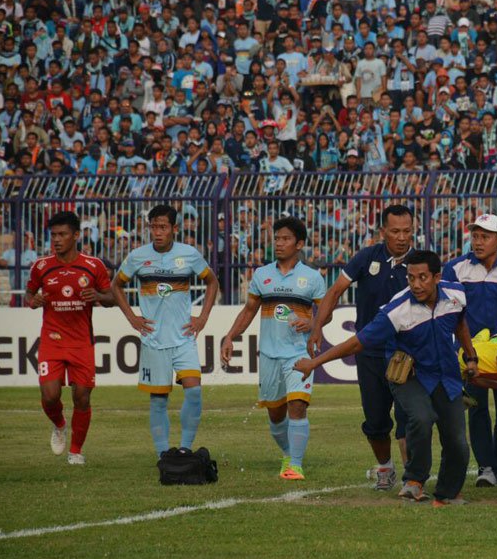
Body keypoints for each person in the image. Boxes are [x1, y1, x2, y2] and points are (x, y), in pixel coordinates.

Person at [295, 250, 478, 506]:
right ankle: (414, 481)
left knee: (458, 441)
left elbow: (460, 323)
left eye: (422, 277)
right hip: (408, 376)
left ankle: (447, 494)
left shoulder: (457, 294)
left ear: (437, 277)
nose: (415, 284)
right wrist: (315, 362)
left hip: (446, 377)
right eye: (411, 278)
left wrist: (471, 356)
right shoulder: (397, 310)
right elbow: (356, 343)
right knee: (422, 417)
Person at [309, 204, 415, 491]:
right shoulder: (366, 258)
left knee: (409, 418)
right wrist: (318, 326)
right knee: (376, 420)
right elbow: (335, 291)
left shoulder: (421, 263)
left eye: (407, 231)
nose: (402, 237)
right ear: (383, 232)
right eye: (395, 231)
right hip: (369, 353)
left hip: (408, 354)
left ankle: (412, 478)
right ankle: (385, 468)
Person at [221, 217, 326, 480]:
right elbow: (249, 310)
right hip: (268, 354)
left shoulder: (312, 277)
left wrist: (312, 321)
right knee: (276, 415)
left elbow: (326, 314)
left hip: (298, 354)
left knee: (298, 406)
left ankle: (296, 466)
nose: (279, 243)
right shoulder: (262, 274)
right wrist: (230, 336)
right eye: (277, 238)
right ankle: (289, 455)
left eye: (286, 239)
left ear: (299, 243)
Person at [111, 204, 220, 457]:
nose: (157, 232)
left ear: (174, 228)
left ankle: (184, 450)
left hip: (183, 337)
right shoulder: (138, 256)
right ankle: (163, 456)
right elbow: (115, 286)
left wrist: (202, 317)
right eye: (153, 227)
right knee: (158, 401)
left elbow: (212, 281)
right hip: (153, 340)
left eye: (163, 227)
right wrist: (132, 318)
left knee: (194, 392)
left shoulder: (189, 254)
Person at [443, 213, 497, 488]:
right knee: (477, 409)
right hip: (471, 353)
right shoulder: (455, 268)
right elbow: (447, 309)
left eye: (485, 236)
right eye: (475, 236)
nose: (478, 242)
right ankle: (487, 468)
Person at [25, 212, 114, 465]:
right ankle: (59, 424)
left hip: (81, 342)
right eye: (53, 235)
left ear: (76, 235)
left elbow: (112, 298)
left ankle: (76, 451)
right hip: (52, 340)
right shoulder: (41, 266)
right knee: (50, 395)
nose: (56, 240)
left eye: (62, 234)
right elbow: (28, 295)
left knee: (82, 397)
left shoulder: (93, 265)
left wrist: (96, 295)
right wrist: (34, 301)